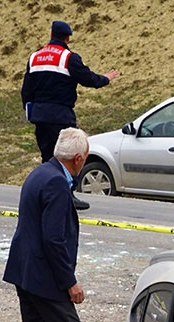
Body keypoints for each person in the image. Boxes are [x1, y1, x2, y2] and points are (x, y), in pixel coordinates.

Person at [3, 128, 102, 322]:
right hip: (45, 279)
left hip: (26, 273)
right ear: (78, 158)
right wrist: (69, 282)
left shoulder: (40, 173)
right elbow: (54, 239)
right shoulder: (58, 184)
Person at [21, 20, 120, 211]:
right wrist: (106, 78)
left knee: (47, 156)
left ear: (51, 35)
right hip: (61, 115)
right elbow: (89, 79)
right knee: (67, 157)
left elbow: (26, 91)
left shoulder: (35, 58)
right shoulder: (68, 58)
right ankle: (67, 196)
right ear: (67, 38)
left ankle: (45, 194)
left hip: (41, 116)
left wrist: (32, 110)